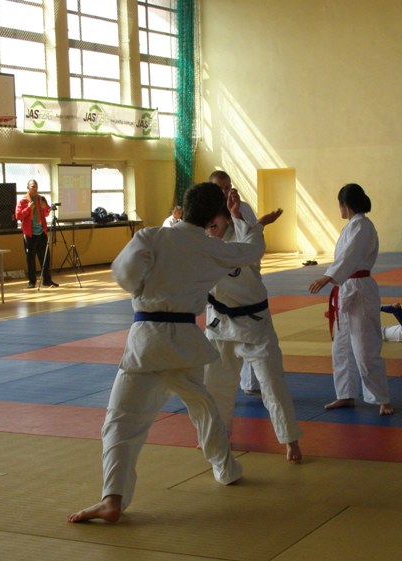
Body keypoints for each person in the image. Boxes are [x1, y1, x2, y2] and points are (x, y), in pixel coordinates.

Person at [68, 182, 266, 524]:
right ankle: (226, 468)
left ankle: (112, 498)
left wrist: (144, 288)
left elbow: (123, 273)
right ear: (214, 218)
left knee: (122, 421)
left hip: (148, 341)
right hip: (186, 343)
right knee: (203, 407)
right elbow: (251, 251)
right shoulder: (213, 247)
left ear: (183, 208)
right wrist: (249, 223)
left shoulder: (151, 237)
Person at [204, 205, 303, 462]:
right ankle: (218, 435)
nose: (211, 225)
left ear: (226, 218)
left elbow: (254, 237)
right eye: (206, 221)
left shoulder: (246, 239)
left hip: (254, 325)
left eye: (215, 220)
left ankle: (290, 439)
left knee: (272, 384)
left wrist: (245, 219)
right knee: (216, 386)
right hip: (219, 326)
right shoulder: (199, 244)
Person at [308, 183, 393, 415]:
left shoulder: (362, 226)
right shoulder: (352, 226)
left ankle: (382, 399)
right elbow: (345, 257)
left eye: (339, 204)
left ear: (345, 204)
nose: (339, 208)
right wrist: (332, 278)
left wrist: (327, 277)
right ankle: (345, 394)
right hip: (346, 288)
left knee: (365, 347)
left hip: (360, 289)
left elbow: (349, 256)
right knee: (342, 346)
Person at [209, 169, 261, 396]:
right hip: (218, 279)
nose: (225, 191)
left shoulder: (243, 208)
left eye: (227, 186)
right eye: (220, 187)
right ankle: (217, 386)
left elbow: (252, 239)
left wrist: (235, 216)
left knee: (250, 333)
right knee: (219, 337)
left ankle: (250, 382)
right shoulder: (206, 211)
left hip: (243, 274)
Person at [15, 179, 58, 289]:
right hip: (29, 234)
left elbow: (46, 213)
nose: (35, 188)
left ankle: (47, 280)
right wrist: (28, 209)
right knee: (30, 259)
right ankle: (32, 281)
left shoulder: (41, 199)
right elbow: (18, 216)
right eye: (33, 186)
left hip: (41, 233)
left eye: (36, 186)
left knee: (45, 258)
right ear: (28, 188)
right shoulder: (23, 201)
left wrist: (45, 208)